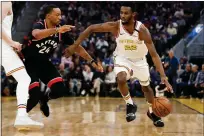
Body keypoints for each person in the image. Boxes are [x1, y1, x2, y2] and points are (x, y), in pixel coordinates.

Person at [65, 3, 172, 127]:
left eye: (126, 13)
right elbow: (91, 28)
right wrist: (74, 45)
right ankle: (130, 104)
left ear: (133, 15)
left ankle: (152, 112)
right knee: (121, 78)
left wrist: (163, 77)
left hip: (140, 60)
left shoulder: (142, 30)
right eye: (121, 12)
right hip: (122, 58)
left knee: (146, 88)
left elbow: (154, 55)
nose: (122, 15)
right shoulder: (116, 26)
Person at [22, 4, 103, 117]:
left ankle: (44, 100)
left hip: (44, 63)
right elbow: (36, 34)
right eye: (57, 15)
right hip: (29, 63)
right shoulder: (40, 24)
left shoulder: (61, 32)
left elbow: (77, 47)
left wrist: (92, 61)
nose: (60, 17)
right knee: (34, 95)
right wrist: (57, 30)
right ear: (49, 16)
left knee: (59, 90)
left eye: (61, 15)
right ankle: (21, 117)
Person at [1, 2, 43, 129]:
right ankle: (21, 117)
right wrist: (12, 43)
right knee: (24, 79)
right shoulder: (5, 2)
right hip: (2, 47)